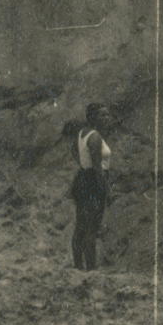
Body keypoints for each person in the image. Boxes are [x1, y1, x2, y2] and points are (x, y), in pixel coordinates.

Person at [68, 103, 112, 271]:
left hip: (83, 179)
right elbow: (98, 168)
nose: (106, 118)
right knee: (92, 228)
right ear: (92, 117)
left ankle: (78, 266)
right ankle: (91, 269)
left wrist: (83, 164)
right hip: (94, 181)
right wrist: (107, 189)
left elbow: (74, 151)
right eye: (102, 115)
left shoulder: (82, 134)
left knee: (81, 225)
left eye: (107, 115)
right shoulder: (96, 137)